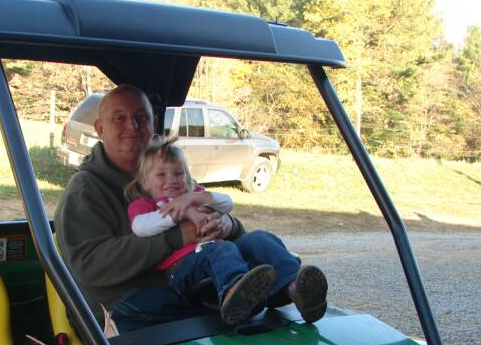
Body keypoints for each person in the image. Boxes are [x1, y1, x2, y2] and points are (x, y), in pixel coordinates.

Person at [54, 85, 327, 331]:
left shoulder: (169, 173)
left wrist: (226, 225)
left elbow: (218, 217)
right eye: (119, 118)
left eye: (141, 117)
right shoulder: (85, 192)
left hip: (192, 274)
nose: (132, 126)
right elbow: (89, 267)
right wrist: (175, 237)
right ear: (100, 128)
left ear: (154, 124)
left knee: (257, 244)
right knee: (203, 298)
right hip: (122, 303)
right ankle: (249, 300)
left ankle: (291, 288)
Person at [125, 136, 328, 325]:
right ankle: (237, 295)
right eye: (161, 174)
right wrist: (183, 212)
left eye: (178, 173)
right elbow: (141, 228)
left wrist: (192, 199)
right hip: (184, 269)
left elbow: (226, 203)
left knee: (258, 238)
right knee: (222, 250)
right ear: (145, 182)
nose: (171, 180)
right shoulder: (146, 204)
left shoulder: (194, 194)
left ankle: (294, 288)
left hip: (222, 256)